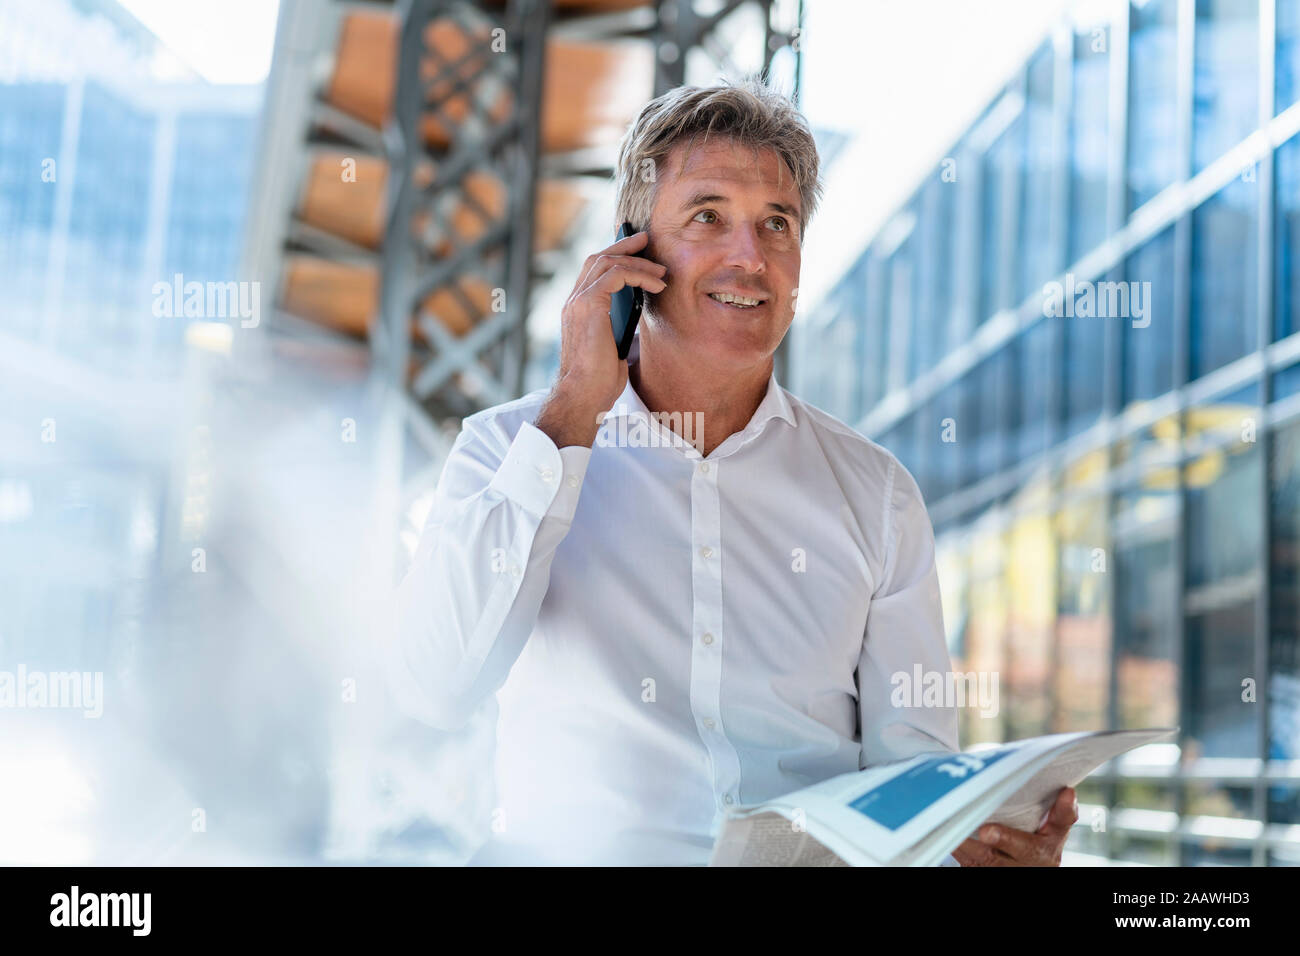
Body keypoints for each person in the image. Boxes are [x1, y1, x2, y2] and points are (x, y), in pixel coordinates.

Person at [389, 78, 1077, 865]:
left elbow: (909, 781)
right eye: (707, 216)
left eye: (776, 225)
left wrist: (972, 846)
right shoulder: (505, 448)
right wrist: (572, 412)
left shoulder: (877, 495)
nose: (749, 257)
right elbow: (436, 685)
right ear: (630, 252)